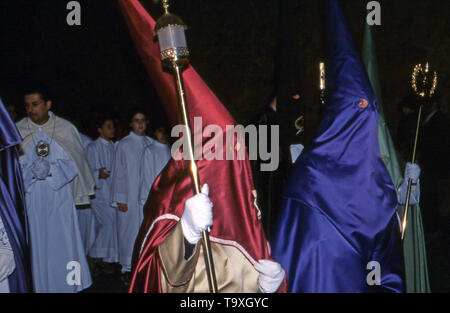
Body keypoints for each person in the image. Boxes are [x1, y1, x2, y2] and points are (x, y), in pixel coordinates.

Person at [16, 88, 95, 292]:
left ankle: (70, 285)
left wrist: (51, 170)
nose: (31, 110)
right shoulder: (18, 130)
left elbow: (75, 163)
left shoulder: (65, 129)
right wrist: (30, 171)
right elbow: (12, 169)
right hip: (32, 201)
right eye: (27, 105)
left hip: (60, 199)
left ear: (48, 104)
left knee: (65, 245)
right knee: (37, 246)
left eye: (35, 104)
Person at [110, 111, 152, 283]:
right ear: (131, 124)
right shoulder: (123, 145)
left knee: (145, 228)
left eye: (143, 121)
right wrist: (120, 197)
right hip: (129, 196)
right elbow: (118, 173)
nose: (140, 124)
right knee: (128, 231)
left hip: (146, 195)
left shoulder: (152, 144)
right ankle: (127, 267)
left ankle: (144, 263)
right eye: (136, 121)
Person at [86, 116, 118, 273]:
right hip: (99, 194)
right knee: (108, 224)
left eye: (112, 126)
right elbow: (87, 171)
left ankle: (109, 259)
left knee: (112, 224)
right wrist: (99, 173)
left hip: (111, 193)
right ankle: (94, 254)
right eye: (108, 126)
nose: (112, 129)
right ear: (100, 130)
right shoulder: (93, 147)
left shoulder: (114, 146)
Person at [417, 95, 450, 233]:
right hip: (429, 164)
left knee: (436, 196)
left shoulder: (440, 120)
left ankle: (436, 227)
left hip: (435, 164)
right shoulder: (428, 120)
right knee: (430, 196)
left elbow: (439, 143)